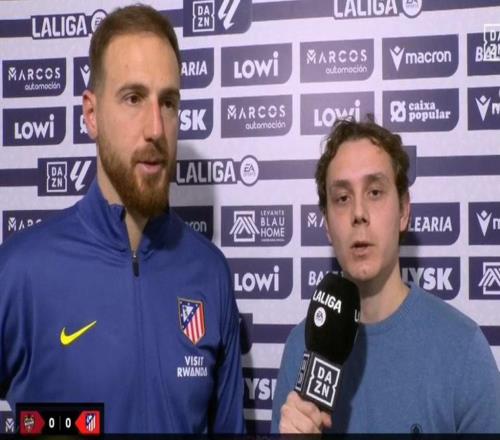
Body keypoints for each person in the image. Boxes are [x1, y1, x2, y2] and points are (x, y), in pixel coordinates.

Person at [0, 5, 245, 434]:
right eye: (133, 98)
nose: (156, 128)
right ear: (91, 115)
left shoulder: (210, 273)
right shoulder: (19, 271)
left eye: (168, 102)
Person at [271, 118, 500, 433]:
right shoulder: (301, 348)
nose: (359, 213)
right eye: (342, 198)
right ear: (326, 224)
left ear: (404, 210)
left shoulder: (463, 350)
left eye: (375, 192)